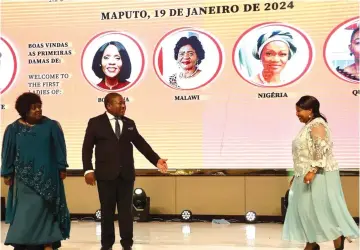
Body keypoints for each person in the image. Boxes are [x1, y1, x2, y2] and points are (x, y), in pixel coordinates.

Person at [82, 93, 168, 250]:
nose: (123, 106)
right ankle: (106, 245)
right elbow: (87, 148)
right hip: (105, 175)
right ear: (108, 105)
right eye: (119, 103)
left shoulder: (129, 123)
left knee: (125, 212)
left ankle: (127, 244)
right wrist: (88, 170)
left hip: (126, 175)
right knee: (107, 211)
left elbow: (141, 144)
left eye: (124, 103)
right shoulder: (96, 123)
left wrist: (156, 160)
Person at [282, 95, 359, 250]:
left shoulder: (318, 125)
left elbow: (321, 149)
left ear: (310, 110)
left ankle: (337, 236)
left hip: (319, 174)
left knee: (323, 208)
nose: (297, 114)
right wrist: (296, 176)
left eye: (299, 111)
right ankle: (311, 242)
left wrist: (313, 170)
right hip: (304, 174)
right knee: (305, 210)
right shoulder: (308, 125)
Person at [1, 92, 70, 250]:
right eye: (34, 108)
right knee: (24, 213)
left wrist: (62, 167)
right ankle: (22, 243)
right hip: (23, 181)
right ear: (24, 110)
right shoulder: (13, 129)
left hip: (48, 178)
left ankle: (47, 242)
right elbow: (7, 152)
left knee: (46, 211)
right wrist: (6, 172)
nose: (38, 110)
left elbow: (60, 148)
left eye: (39, 107)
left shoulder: (51, 125)